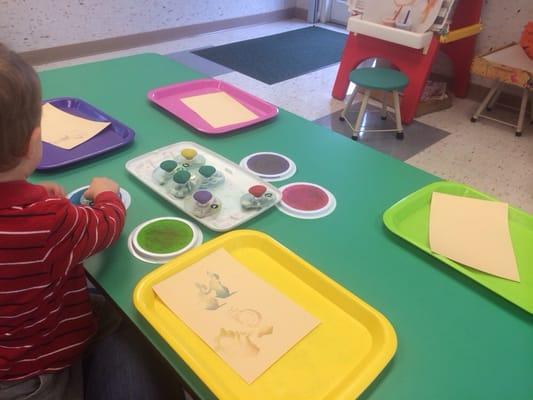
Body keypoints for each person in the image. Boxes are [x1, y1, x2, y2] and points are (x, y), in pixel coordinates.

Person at [0, 43, 184, 399]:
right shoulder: (47, 221)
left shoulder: (40, 215)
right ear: (33, 142)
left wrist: (33, 196)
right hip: (36, 375)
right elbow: (106, 226)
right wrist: (107, 195)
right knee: (136, 320)